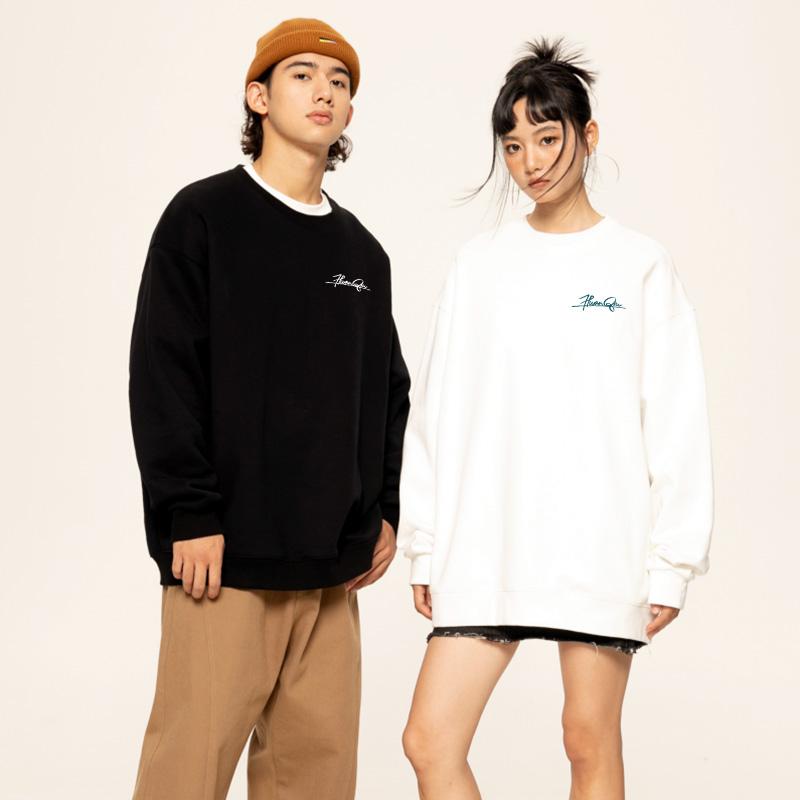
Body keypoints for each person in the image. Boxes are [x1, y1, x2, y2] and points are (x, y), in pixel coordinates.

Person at [396, 36, 715, 799]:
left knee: (586, 739)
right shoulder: (479, 265)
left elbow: (675, 416)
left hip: (598, 541)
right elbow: (438, 409)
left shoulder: (637, 263)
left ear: (588, 135)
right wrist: (427, 547)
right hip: (490, 538)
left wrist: (671, 561)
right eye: (513, 146)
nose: (531, 162)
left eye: (546, 138)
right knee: (429, 741)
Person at [127, 18, 410, 799]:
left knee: (317, 783)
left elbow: (387, 391)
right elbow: (163, 372)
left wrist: (384, 510)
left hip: (331, 575)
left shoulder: (362, 253)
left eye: (340, 81)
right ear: (258, 96)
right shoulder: (204, 218)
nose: (324, 91)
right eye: (302, 75)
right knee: (185, 776)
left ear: (350, 110)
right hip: (223, 562)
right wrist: (188, 511)